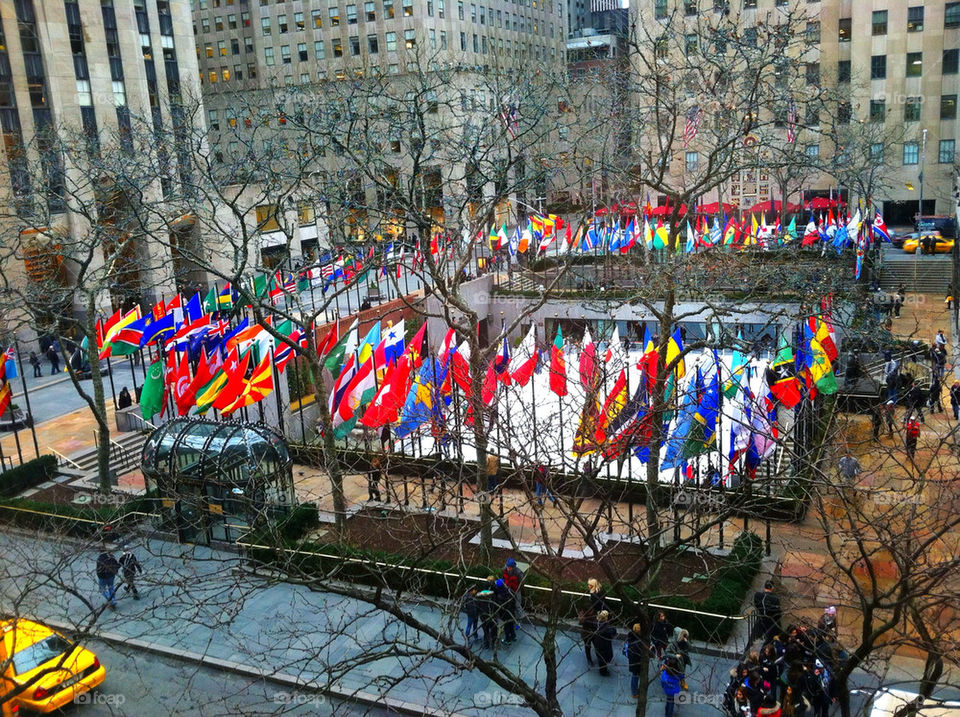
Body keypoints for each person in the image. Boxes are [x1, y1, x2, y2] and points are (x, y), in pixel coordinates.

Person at [591, 610, 616, 676]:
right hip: (604, 644)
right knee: (603, 658)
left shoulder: (596, 623)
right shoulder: (606, 627)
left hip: (597, 642)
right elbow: (613, 631)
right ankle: (603, 672)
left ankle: (602, 669)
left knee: (600, 656)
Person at [491, 578, 516, 644]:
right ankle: (513, 636)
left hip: (505, 613)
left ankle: (507, 640)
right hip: (511, 611)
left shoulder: (500, 596)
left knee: (506, 626)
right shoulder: (510, 591)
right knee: (511, 624)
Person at [625, 623, 646, 698]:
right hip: (636, 661)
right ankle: (634, 692)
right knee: (635, 676)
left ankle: (635, 691)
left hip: (633, 660)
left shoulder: (631, 637)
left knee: (635, 675)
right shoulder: (638, 641)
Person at [476, 584, 497, 650]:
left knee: (486, 631)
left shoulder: (479, 597)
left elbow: (477, 608)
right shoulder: (492, 596)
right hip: (492, 617)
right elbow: (495, 607)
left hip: (483, 618)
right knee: (493, 631)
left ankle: (486, 644)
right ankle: (493, 644)